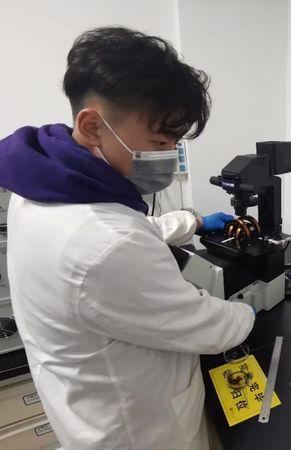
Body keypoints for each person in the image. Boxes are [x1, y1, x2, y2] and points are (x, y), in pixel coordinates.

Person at [0, 27, 255, 449]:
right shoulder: (105, 244)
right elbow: (208, 327)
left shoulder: (41, 186)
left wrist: (191, 222)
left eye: (174, 141)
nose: (169, 153)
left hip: (85, 404)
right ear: (92, 125)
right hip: (140, 430)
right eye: (159, 140)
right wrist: (254, 312)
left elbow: (124, 231)